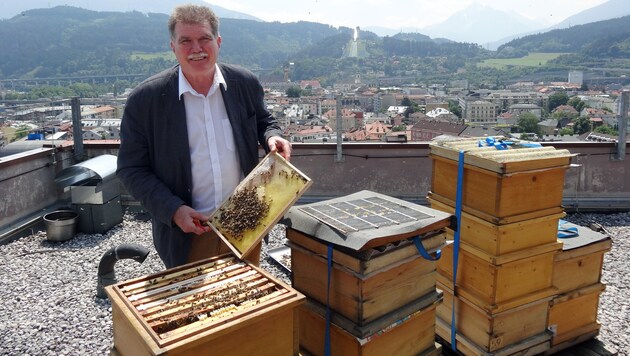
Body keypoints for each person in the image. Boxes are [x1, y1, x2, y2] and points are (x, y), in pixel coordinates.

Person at [116, 4, 291, 269]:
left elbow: (263, 120)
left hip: (245, 222)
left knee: (246, 297)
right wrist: (173, 210)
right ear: (172, 46)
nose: (196, 48)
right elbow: (131, 169)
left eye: (204, 39)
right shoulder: (145, 100)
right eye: (186, 41)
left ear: (218, 41)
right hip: (189, 232)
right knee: (196, 306)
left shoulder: (245, 83)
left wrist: (272, 136)